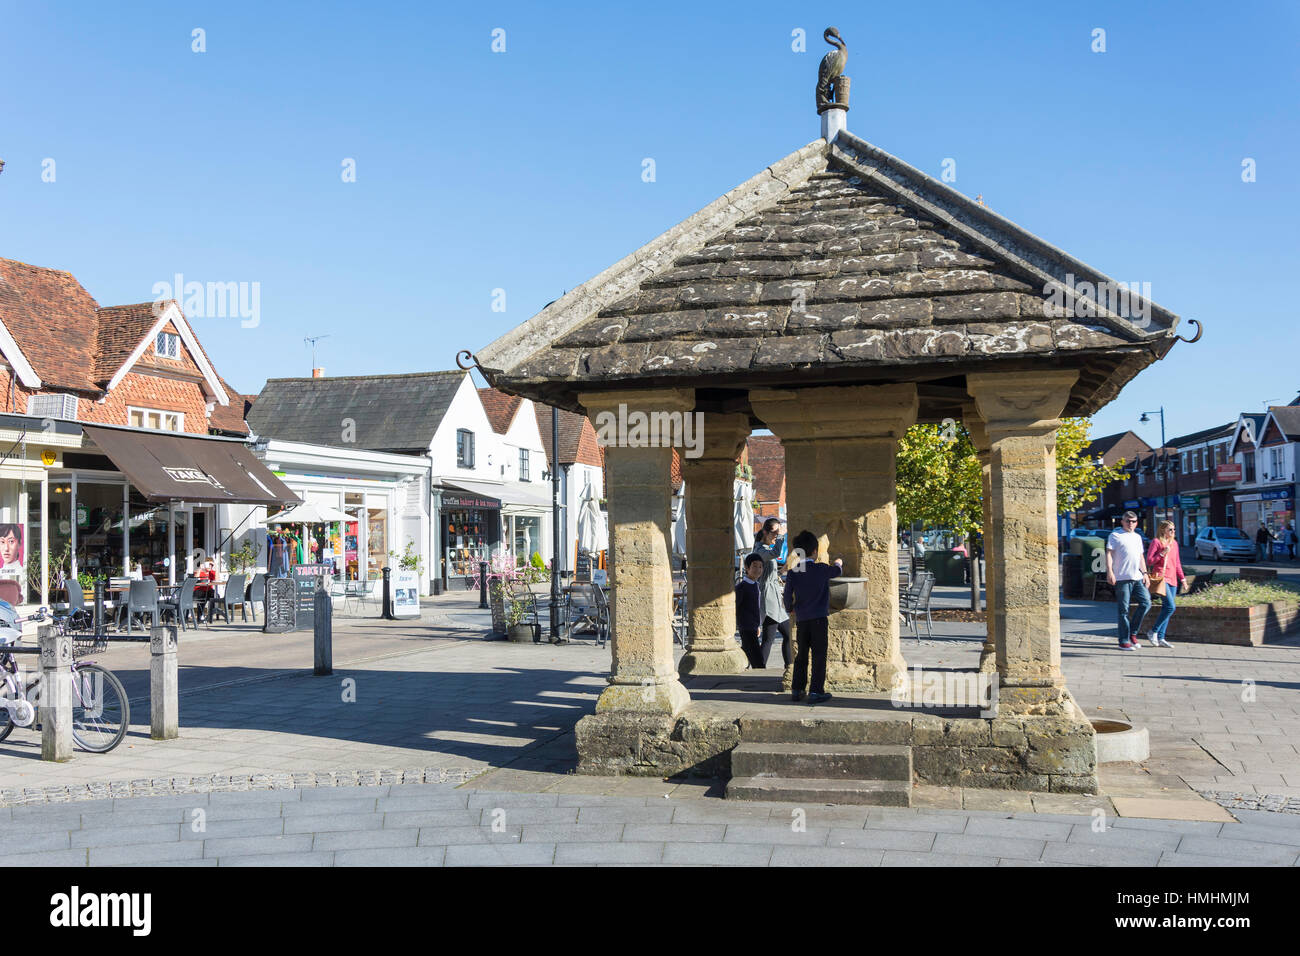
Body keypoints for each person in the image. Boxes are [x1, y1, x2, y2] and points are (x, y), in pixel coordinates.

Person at [783, 530, 843, 703]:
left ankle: (797, 689)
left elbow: (787, 595)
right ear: (815, 551)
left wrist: (790, 608)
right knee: (818, 655)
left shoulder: (794, 572)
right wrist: (839, 563)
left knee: (801, 655)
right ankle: (816, 691)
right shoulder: (821, 568)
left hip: (802, 619)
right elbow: (836, 572)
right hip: (819, 619)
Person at [1106, 511, 1150, 651]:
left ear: (1137, 523)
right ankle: (1123, 641)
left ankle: (1133, 633)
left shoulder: (1137, 537)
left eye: (1133, 521)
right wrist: (1110, 572)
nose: (1130, 523)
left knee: (1146, 603)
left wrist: (1145, 573)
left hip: (1137, 577)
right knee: (1123, 610)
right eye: (1127, 521)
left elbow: (1140, 557)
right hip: (1122, 578)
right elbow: (1109, 554)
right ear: (1122, 522)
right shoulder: (1115, 536)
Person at [754, 518, 791, 668]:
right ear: (765, 532)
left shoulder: (765, 549)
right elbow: (776, 553)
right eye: (774, 532)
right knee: (769, 639)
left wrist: (782, 571)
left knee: (786, 635)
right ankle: (759, 668)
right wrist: (782, 535)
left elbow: (769, 574)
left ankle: (789, 666)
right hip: (769, 600)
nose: (777, 534)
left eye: (778, 532)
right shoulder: (760, 550)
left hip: (775, 599)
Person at [1143, 519, 1184, 648]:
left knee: (1167, 608)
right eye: (1170, 530)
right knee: (1171, 607)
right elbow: (1149, 561)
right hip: (1162, 577)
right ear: (1162, 530)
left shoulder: (1174, 544)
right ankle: (1153, 631)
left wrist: (1182, 578)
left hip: (1173, 579)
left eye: (1174, 530)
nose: (1173, 532)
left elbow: (1177, 563)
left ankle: (1161, 637)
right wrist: (1161, 553)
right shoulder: (1156, 542)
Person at [735, 553, 766, 669]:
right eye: (754, 566)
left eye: (760, 566)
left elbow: (756, 608)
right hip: (746, 627)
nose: (758, 569)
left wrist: (758, 625)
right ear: (747, 568)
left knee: (747, 653)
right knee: (757, 659)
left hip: (753, 626)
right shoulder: (742, 587)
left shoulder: (756, 585)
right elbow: (736, 606)